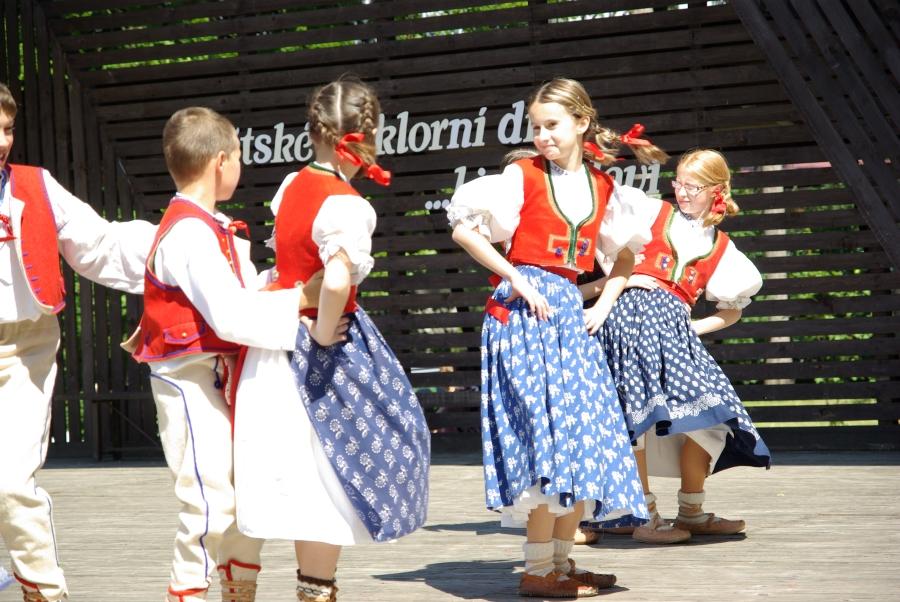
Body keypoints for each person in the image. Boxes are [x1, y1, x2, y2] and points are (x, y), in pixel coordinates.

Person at [447, 77, 668, 598]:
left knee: (584, 436)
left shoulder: (604, 188)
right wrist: (516, 278)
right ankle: (537, 569)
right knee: (548, 440)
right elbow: (463, 229)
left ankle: (561, 564)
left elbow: (626, 256)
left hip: (568, 312)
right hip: (524, 315)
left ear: (581, 123)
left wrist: (604, 303)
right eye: (536, 127)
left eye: (552, 125)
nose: (542, 136)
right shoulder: (520, 176)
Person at [232, 77, 430, 602]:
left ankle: (257, 588)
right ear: (368, 134)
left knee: (293, 473)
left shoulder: (293, 184)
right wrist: (323, 330)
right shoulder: (345, 204)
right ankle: (315, 592)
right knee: (331, 474)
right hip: (319, 348)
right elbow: (338, 279)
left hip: (274, 346)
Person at [130, 106, 309, 602]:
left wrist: (282, 281)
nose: (240, 167)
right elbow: (229, 315)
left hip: (219, 373)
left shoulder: (206, 226)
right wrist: (301, 301)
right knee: (208, 500)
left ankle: (238, 590)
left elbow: (236, 297)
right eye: (239, 158)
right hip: (189, 376)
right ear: (221, 161)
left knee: (246, 495)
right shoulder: (189, 232)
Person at [0, 82, 154, 602]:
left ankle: (43, 591)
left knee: (10, 482)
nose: (2, 141)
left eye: (8, 129)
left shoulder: (35, 185)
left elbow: (100, 244)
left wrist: (178, 245)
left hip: (24, 349)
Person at [580, 149, 771, 545]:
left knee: (711, 416)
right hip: (628, 324)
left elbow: (731, 310)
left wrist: (692, 328)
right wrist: (622, 279)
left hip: (673, 335)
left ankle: (691, 511)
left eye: (692, 186)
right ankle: (643, 515)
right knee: (634, 419)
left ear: (717, 190)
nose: (682, 192)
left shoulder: (721, 246)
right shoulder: (651, 212)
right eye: (678, 183)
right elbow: (605, 235)